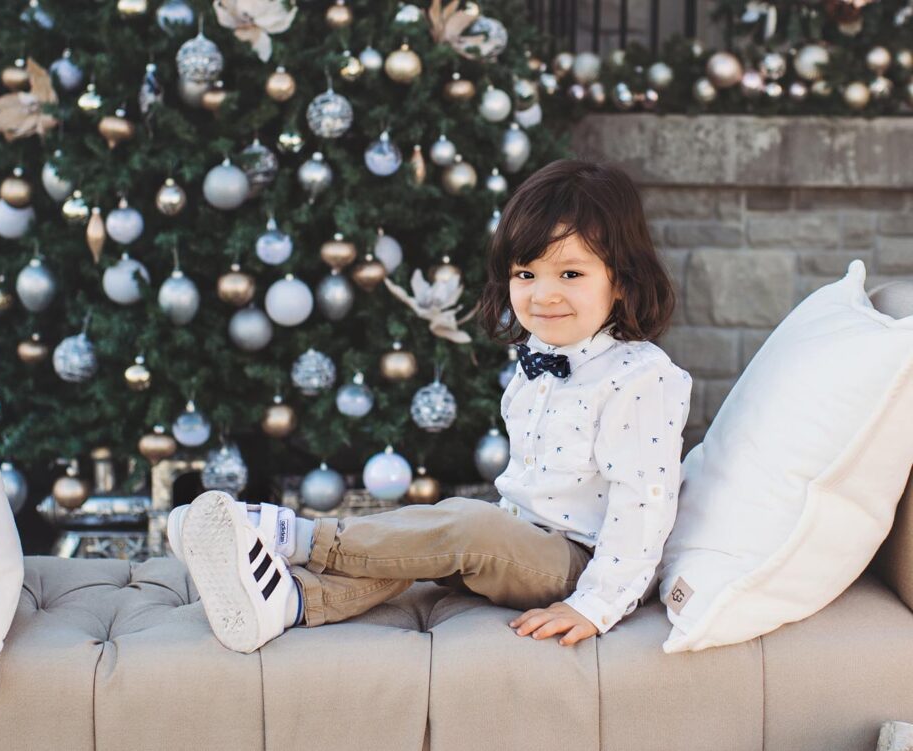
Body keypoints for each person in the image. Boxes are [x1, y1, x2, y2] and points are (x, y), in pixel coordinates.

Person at [166, 158, 693, 654]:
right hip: (519, 537)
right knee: (421, 538)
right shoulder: (540, 358)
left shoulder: (641, 378)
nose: (543, 295)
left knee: (465, 527)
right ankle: (291, 601)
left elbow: (643, 503)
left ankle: (291, 535)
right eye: (525, 274)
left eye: (571, 275)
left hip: (579, 565)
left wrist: (595, 604)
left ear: (621, 280)